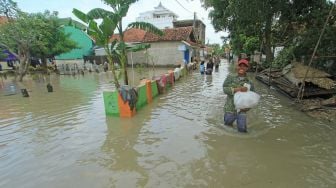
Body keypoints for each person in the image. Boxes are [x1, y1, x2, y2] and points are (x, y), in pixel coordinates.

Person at [222, 59, 254, 133]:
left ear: (247, 68)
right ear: (237, 67)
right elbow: (224, 89)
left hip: (242, 110)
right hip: (230, 108)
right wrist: (236, 89)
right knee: (227, 127)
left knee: (242, 129)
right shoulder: (230, 77)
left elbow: (253, 97)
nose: (242, 67)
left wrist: (247, 108)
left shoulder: (250, 82)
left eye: (244, 66)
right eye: (240, 65)